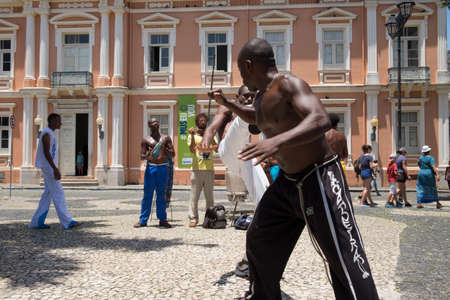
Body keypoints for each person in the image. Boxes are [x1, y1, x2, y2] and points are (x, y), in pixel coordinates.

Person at [209, 38, 378, 300]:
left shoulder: (289, 84)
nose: (241, 76)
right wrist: (230, 106)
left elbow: (320, 118)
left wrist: (275, 142)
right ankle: (263, 295)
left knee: (343, 254)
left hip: (319, 177)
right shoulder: (263, 97)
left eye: (241, 71)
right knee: (259, 237)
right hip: (288, 183)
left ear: (249, 65)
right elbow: (257, 117)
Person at [201, 85, 269, 277]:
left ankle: (249, 259)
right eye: (246, 96)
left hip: (246, 156)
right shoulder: (227, 108)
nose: (249, 99)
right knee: (241, 121)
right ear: (237, 97)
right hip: (228, 151)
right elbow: (213, 127)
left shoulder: (258, 108)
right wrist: (206, 139)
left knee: (266, 201)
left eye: (253, 96)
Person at [30, 113, 80, 230]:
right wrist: (55, 168)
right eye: (58, 121)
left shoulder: (50, 133)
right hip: (48, 168)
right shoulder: (47, 133)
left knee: (47, 195)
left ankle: (36, 222)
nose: (60, 123)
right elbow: (47, 153)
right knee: (58, 193)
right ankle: (67, 222)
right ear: (52, 121)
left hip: (49, 167)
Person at [134, 118, 175, 228]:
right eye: (152, 123)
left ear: (159, 125)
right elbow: (142, 156)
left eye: (157, 122)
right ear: (149, 126)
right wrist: (148, 154)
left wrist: (164, 148)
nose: (155, 124)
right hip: (151, 168)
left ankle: (162, 219)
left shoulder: (166, 138)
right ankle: (143, 220)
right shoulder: (146, 140)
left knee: (162, 194)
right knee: (148, 194)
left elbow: (173, 154)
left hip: (163, 168)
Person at [187, 113, 218, 227]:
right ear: (197, 122)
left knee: (209, 197)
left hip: (209, 169)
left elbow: (217, 149)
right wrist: (192, 134)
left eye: (205, 120)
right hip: (196, 169)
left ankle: (209, 218)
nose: (203, 122)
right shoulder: (192, 135)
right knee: (194, 196)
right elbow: (191, 150)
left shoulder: (210, 135)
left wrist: (211, 134)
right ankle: (193, 218)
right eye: (201, 120)